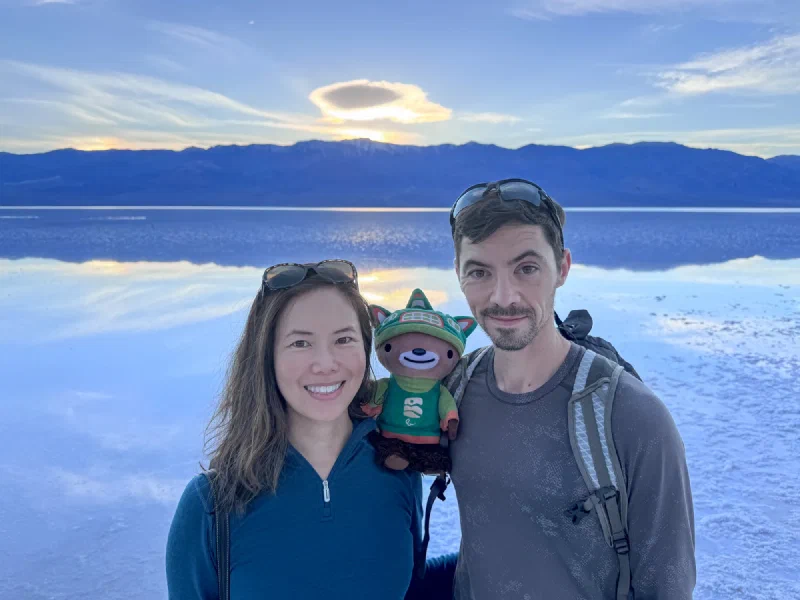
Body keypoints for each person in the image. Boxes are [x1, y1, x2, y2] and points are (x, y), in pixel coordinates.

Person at [442, 180, 696, 599]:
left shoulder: (631, 417)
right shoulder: (455, 390)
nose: (504, 297)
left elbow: (667, 588)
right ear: (458, 273)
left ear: (562, 268)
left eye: (527, 268)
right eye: (479, 272)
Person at [165, 259, 449, 599]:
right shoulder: (212, 504)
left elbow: (407, 589)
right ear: (266, 357)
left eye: (343, 339)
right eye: (301, 343)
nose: (326, 363)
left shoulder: (397, 471)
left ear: (364, 348)